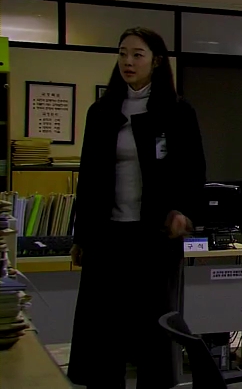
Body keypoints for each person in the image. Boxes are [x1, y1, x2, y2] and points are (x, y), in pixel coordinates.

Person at [67, 27, 206, 389]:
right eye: (122, 54)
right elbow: (88, 177)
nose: (127, 61)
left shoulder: (177, 111)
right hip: (108, 237)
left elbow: (193, 172)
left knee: (154, 332)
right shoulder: (102, 111)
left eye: (137, 55)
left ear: (156, 61)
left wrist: (183, 212)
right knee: (104, 331)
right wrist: (81, 236)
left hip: (153, 237)